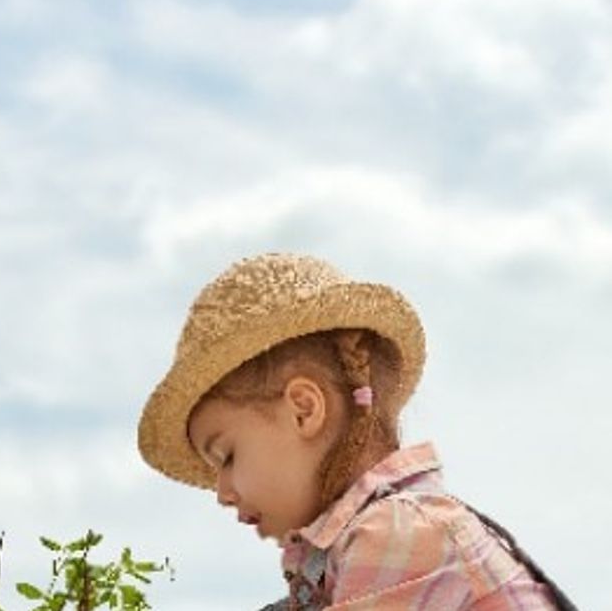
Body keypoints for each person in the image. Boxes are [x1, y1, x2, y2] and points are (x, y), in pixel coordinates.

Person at [136, 253, 573, 610]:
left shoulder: (399, 533)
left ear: (303, 411)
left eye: (227, 456)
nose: (222, 492)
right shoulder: (362, 549)